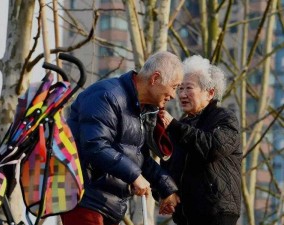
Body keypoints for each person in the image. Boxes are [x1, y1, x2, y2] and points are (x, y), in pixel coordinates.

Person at [61, 51, 184, 225]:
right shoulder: (106, 95)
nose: (173, 96)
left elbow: (138, 157)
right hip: (85, 199)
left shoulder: (141, 110)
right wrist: (134, 176)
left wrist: (167, 188)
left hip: (107, 204)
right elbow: (95, 145)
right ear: (155, 78)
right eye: (175, 87)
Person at [158, 55, 242, 225]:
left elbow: (212, 148)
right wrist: (165, 193)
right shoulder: (180, 126)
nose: (182, 94)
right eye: (179, 88)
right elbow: (167, 166)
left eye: (188, 88)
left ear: (210, 92)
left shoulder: (225, 118)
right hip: (185, 215)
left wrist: (173, 126)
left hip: (216, 214)